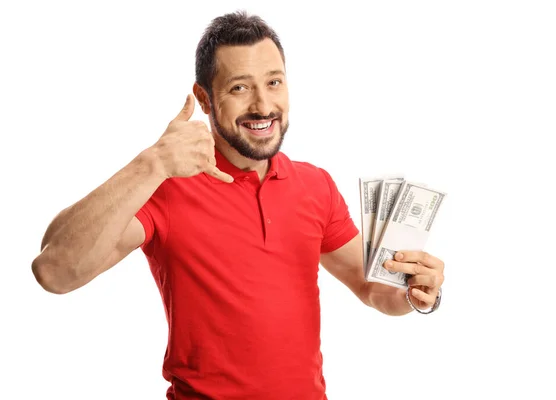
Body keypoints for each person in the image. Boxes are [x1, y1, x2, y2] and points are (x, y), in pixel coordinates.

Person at [31, 10, 445, 400]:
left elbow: (371, 287)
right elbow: (55, 271)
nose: (263, 106)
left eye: (274, 82)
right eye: (239, 87)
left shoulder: (315, 185)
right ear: (205, 98)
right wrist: (152, 163)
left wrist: (414, 291)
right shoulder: (166, 186)